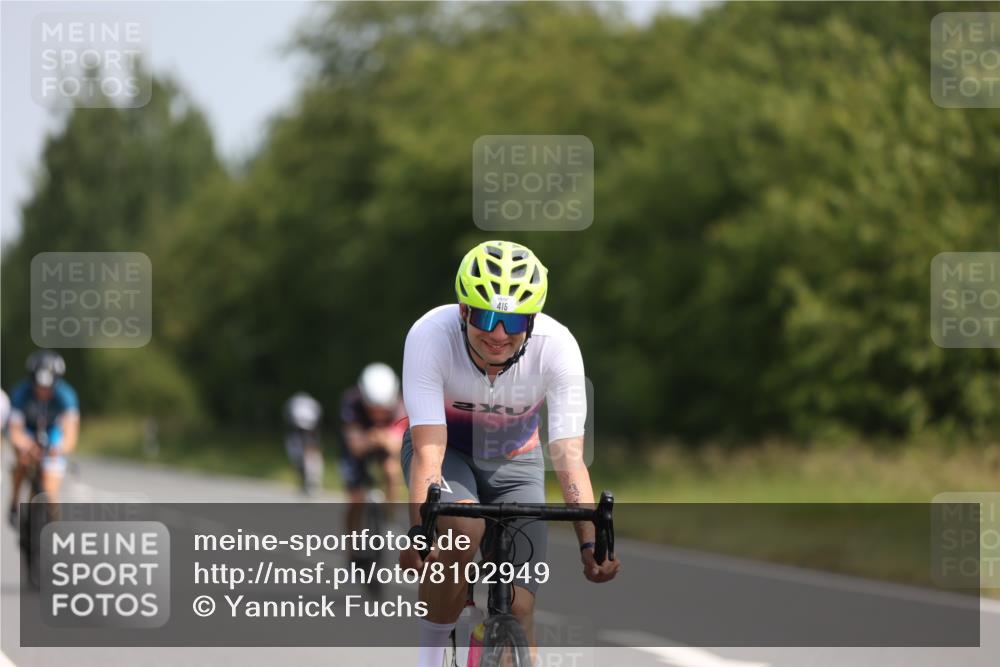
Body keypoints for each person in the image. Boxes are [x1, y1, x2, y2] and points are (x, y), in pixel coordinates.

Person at [399, 240, 621, 667]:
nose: (499, 334)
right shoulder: (430, 335)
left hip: (516, 459)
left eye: (514, 320)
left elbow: (569, 457)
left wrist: (590, 542)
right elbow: (429, 449)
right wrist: (419, 535)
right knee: (464, 527)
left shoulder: (558, 348)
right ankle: (430, 656)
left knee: (518, 607)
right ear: (463, 311)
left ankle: (497, 644)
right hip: (448, 453)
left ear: (533, 319)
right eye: (485, 316)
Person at [7, 351, 79, 527]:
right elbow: (15, 430)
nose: (43, 391)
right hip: (29, 432)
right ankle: (14, 501)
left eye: (48, 387)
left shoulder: (66, 396)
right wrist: (24, 444)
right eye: (38, 386)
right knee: (22, 461)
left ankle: (54, 528)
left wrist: (60, 448)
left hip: (53, 433)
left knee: (50, 489)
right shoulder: (20, 393)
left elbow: (70, 433)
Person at [339, 363, 406, 534]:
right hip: (357, 447)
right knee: (356, 499)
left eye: (383, 410)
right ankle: (351, 543)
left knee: (391, 471)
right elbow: (355, 447)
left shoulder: (401, 404)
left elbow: (397, 445)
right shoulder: (351, 401)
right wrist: (373, 438)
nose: (378, 415)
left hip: (380, 445)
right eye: (372, 410)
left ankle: (389, 518)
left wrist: (383, 439)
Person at [283, 391, 324, 495]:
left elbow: (288, 416)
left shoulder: (295, 403)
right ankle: (307, 482)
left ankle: (310, 481)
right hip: (307, 430)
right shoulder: (311, 403)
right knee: (301, 457)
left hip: (305, 431)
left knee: (307, 456)